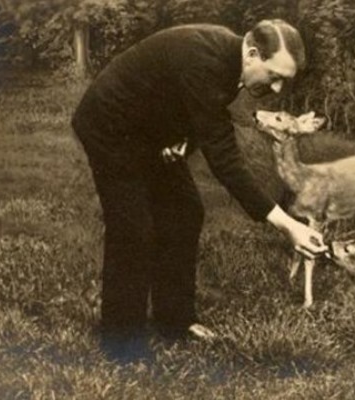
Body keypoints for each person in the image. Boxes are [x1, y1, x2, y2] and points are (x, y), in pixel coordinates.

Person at [71, 19, 327, 359]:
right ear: (252, 53)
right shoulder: (207, 60)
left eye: (284, 81)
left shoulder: (231, 62)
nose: (278, 89)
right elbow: (226, 160)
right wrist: (288, 225)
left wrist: (181, 138)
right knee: (133, 229)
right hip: (109, 127)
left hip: (148, 130)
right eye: (275, 76)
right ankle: (122, 342)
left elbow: (184, 101)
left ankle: (175, 320)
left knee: (185, 211)